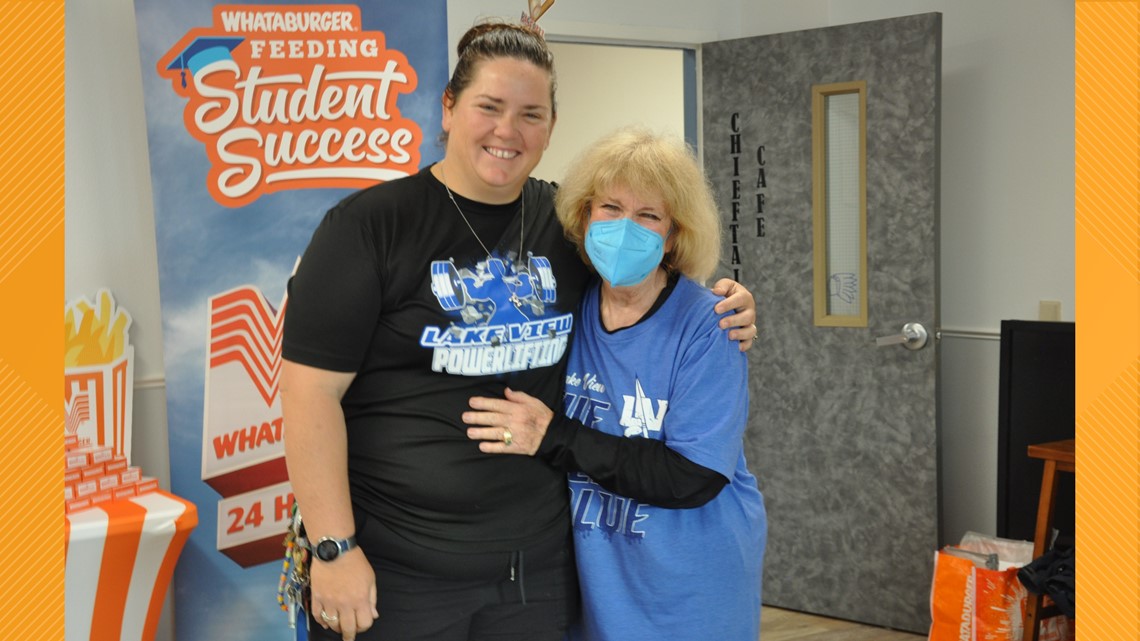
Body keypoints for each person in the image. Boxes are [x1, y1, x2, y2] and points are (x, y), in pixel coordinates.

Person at [280, 21, 758, 641]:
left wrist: (730, 301)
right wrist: (333, 549)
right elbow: (307, 396)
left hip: (536, 574)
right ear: (448, 108)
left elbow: (647, 272)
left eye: (531, 114)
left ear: (551, 128)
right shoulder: (368, 227)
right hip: (397, 571)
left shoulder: (567, 224)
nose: (508, 131)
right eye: (489, 107)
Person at [464, 127, 767, 641]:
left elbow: (692, 476)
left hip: (692, 585)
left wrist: (553, 436)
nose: (626, 228)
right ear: (584, 217)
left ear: (673, 234)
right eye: (610, 207)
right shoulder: (568, 307)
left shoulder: (710, 325)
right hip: (602, 583)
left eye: (649, 215)